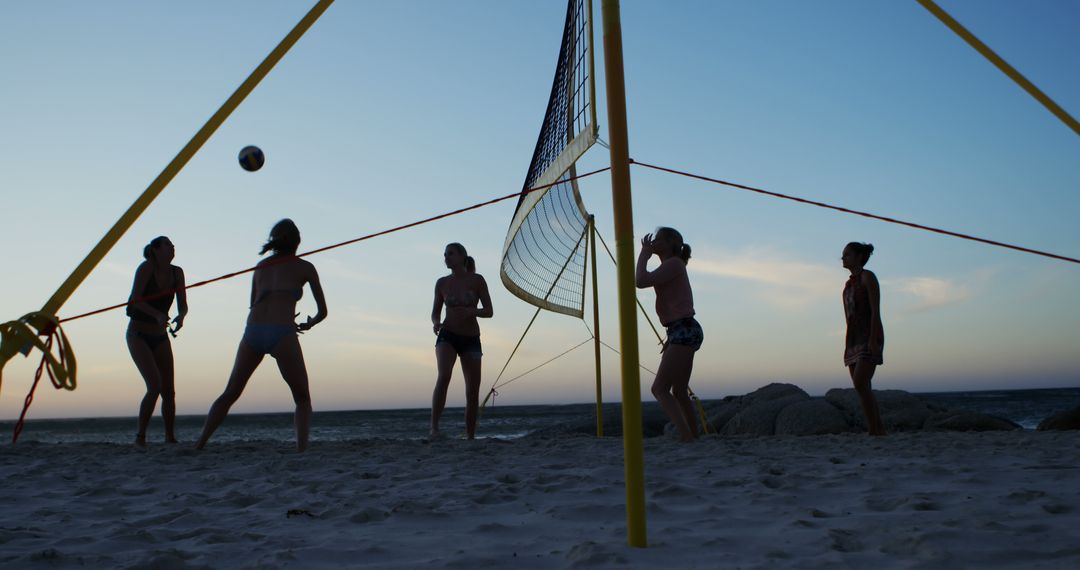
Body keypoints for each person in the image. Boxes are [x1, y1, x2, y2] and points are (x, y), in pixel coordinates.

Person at [195, 219, 327, 452]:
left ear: (274, 242)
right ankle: (301, 450)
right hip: (282, 333)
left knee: (231, 392)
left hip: (253, 331)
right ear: (297, 241)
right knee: (302, 398)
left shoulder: (260, 266)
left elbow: (252, 303)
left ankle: (200, 443)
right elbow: (322, 312)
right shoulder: (305, 267)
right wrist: (309, 323)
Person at [636, 227, 703, 442]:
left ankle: (686, 437)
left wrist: (644, 254)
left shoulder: (674, 264)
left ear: (670, 243)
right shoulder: (672, 265)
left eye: (658, 239)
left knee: (659, 389)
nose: (653, 241)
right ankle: (693, 436)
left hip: (684, 329)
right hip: (680, 330)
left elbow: (641, 281)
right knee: (679, 392)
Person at [127, 236, 188, 447]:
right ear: (155, 250)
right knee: (154, 386)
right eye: (168, 245)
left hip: (160, 336)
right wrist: (156, 314)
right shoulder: (146, 268)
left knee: (168, 391)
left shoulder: (177, 272)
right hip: (138, 334)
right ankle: (140, 437)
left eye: (173, 244)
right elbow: (135, 299)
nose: (173, 247)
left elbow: (183, 304)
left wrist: (181, 316)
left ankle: (170, 437)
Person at [430, 243, 492, 440]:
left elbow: (489, 311)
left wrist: (471, 311)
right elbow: (435, 312)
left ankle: (470, 435)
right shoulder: (441, 283)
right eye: (445, 254)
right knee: (444, 375)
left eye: (451, 254)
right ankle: (434, 429)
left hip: (471, 338)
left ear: (462, 257)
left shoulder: (477, 280)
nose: (446, 257)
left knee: (472, 390)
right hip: (448, 335)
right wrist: (436, 322)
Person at [841, 241, 886, 436]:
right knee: (862, 387)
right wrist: (849, 341)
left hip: (869, 334)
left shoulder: (868, 277)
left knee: (860, 382)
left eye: (847, 254)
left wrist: (874, 339)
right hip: (853, 338)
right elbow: (848, 316)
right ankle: (877, 429)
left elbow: (876, 310)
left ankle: (875, 430)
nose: (843, 258)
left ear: (859, 257)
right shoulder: (847, 286)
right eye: (843, 255)